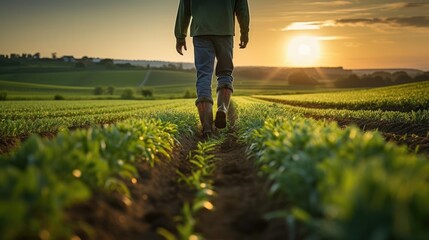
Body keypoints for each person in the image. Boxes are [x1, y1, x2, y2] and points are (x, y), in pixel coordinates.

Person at [174, 0, 250, 137]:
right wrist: (244, 32)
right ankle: (222, 108)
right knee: (225, 73)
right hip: (225, 31)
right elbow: (242, 7)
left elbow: (184, 8)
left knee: (203, 76)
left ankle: (207, 126)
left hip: (200, 32)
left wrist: (180, 36)